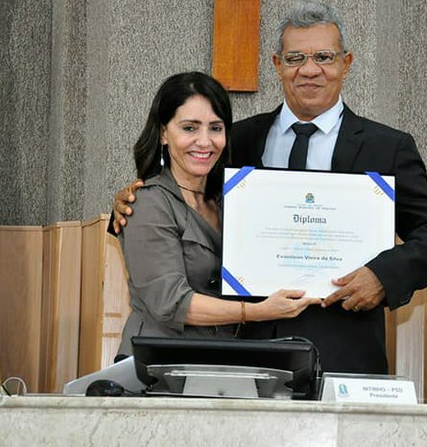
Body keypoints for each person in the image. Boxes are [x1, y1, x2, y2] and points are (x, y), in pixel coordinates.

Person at [113, 2, 427, 373]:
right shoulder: (237, 140)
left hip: (344, 350)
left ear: (347, 63)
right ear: (277, 65)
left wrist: (383, 276)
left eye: (324, 57)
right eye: (295, 58)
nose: (310, 70)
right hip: (244, 352)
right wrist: (127, 201)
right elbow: (183, 199)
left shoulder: (387, 146)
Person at [116, 71, 319, 356]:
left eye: (215, 127)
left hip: (218, 360)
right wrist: (259, 311)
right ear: (164, 133)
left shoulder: (231, 200)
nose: (204, 141)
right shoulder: (147, 203)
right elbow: (171, 302)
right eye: (189, 128)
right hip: (159, 364)